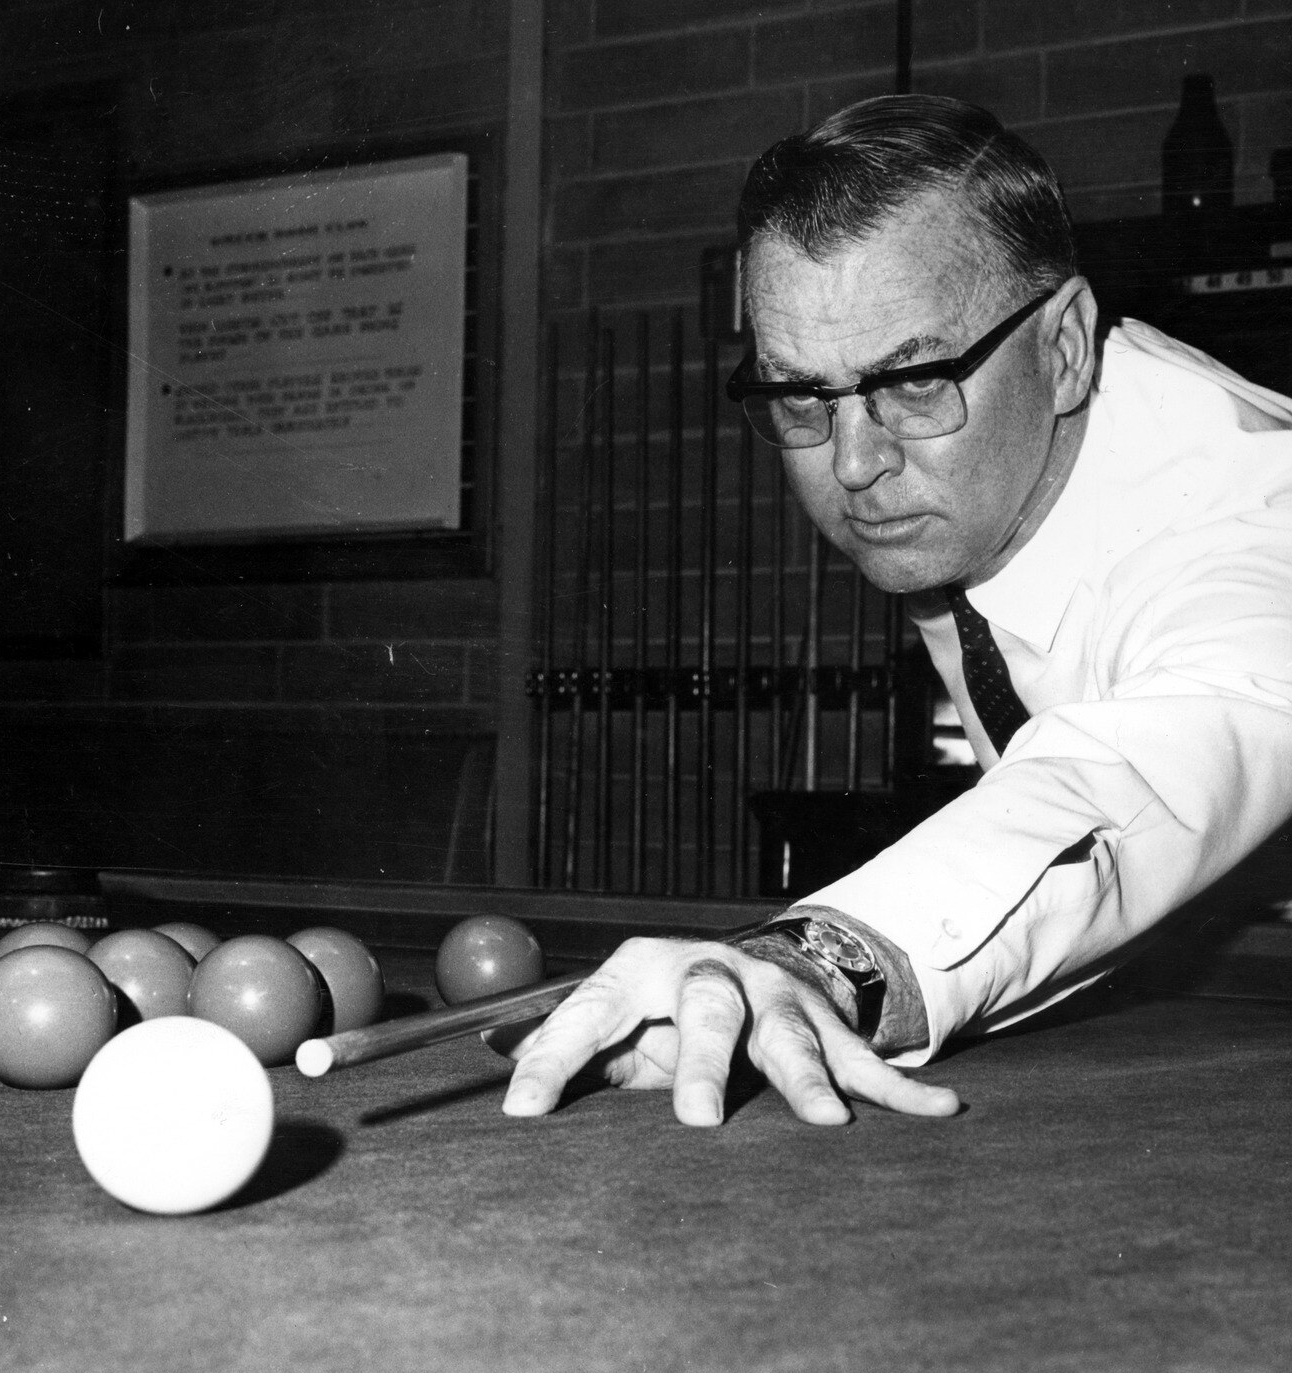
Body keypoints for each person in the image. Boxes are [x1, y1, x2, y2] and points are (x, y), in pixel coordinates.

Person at [502, 94, 1292, 1128]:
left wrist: (817, 960)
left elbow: (1137, 775)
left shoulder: (1244, 527)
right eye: (800, 395)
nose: (853, 463)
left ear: (1061, 348)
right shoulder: (982, 481)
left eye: (913, 382)